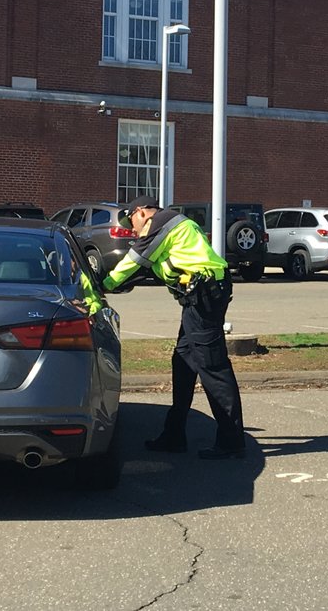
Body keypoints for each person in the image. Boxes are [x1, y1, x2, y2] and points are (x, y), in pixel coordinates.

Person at [103, 195, 245, 459]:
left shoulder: (161, 222)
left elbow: (133, 261)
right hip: (202, 297)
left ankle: (231, 441)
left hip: (203, 298)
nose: (132, 229)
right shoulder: (170, 226)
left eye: (131, 220)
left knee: (213, 368)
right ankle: (174, 435)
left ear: (143, 212)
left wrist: (105, 284)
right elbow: (152, 266)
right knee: (183, 362)